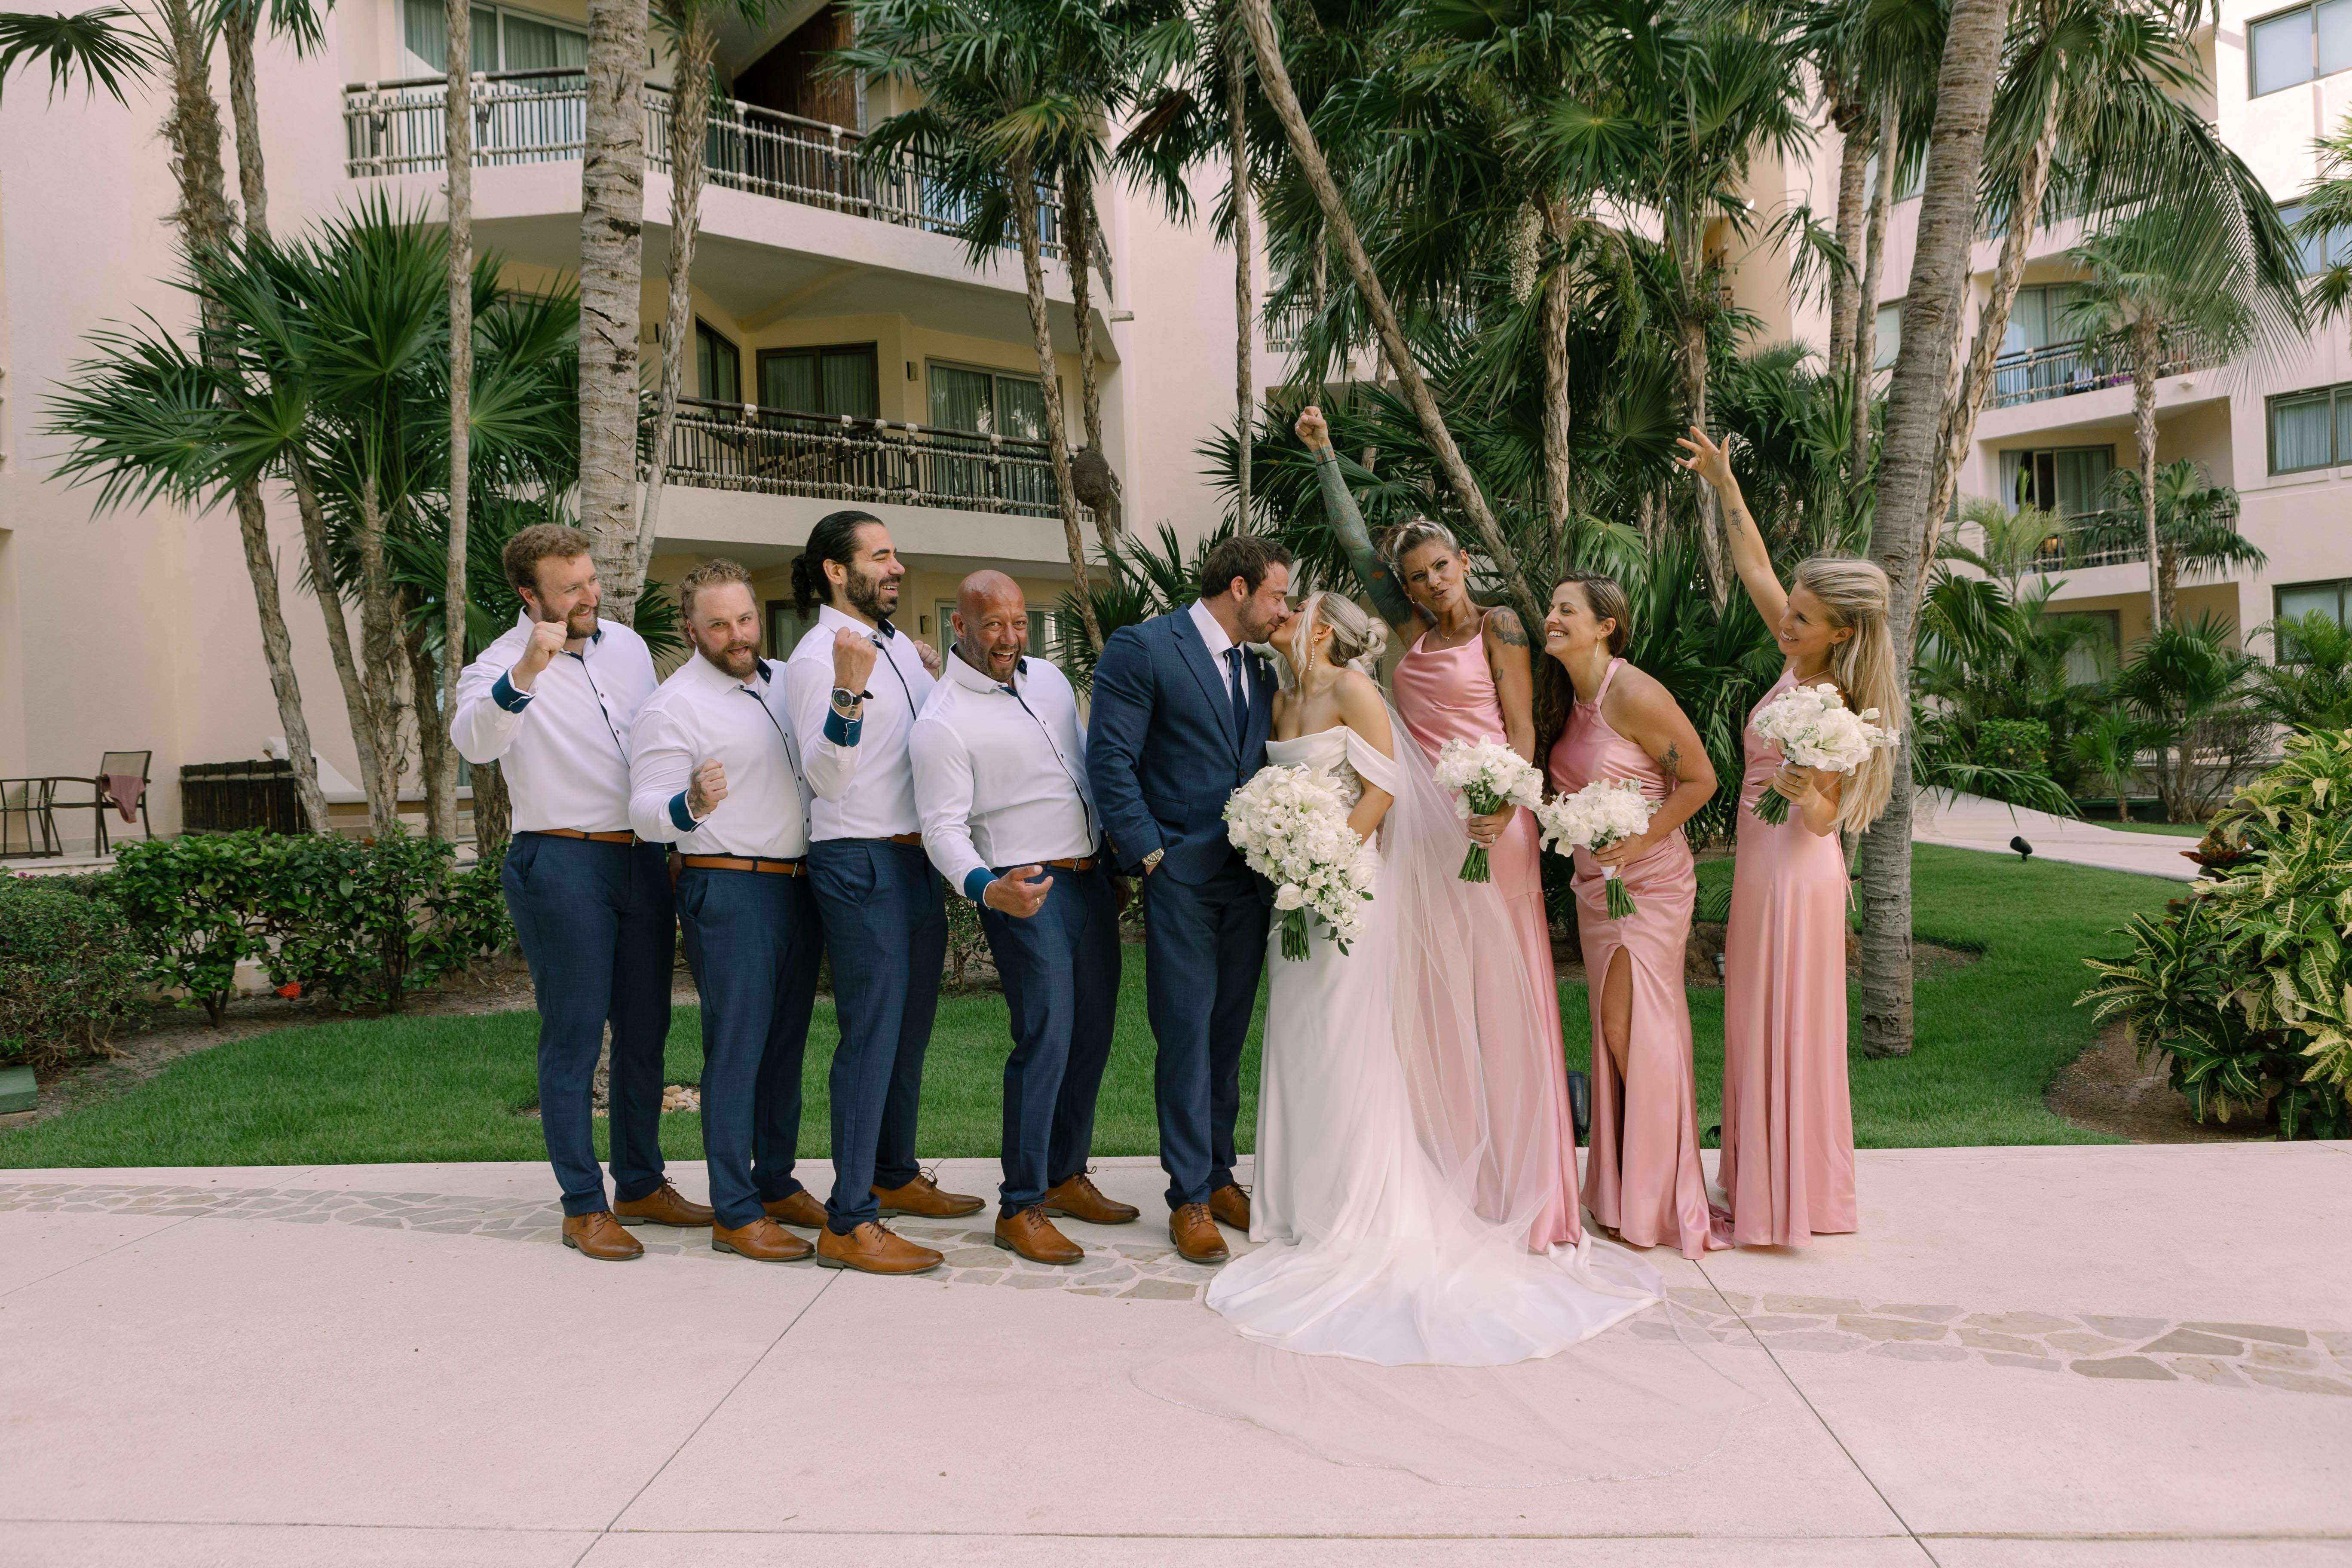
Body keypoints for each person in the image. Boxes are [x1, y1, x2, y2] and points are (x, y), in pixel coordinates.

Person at [1205, 591, 1661, 1361]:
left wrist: (1325, 863)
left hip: (1344, 884)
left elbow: (1384, 786)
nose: (1280, 616)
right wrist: (1284, 854)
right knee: (1298, 1038)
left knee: (1347, 1041)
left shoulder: (1356, 689)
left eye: (1294, 609)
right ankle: (1293, 1201)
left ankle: (1353, 1199)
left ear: (1322, 628)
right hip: (1294, 893)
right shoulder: (1279, 699)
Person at [1292, 404, 1581, 1250]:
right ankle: (1454, 1170)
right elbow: (1355, 546)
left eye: (1439, 568)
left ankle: (1522, 1179)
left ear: (1463, 562)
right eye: (1416, 577)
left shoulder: (1501, 626)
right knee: (1433, 998)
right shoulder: (1411, 633)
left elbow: (1522, 730)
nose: (1429, 584)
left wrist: (1505, 804)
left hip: (1493, 828)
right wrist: (1325, 455)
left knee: (1500, 990)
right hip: (1421, 837)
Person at [451, 524, 710, 1261]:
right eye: (571, 589)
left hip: (641, 858)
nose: (590, 596)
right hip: (560, 861)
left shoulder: (626, 647)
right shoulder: (498, 664)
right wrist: (528, 671)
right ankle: (582, 1205)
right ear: (529, 595)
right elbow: (474, 741)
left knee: (646, 1030)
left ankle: (640, 1184)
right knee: (573, 1036)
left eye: (591, 581)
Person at [1676, 426, 1900, 1246]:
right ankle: (1759, 1177)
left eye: (1802, 617)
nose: (1786, 619)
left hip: (1798, 872)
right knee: (1751, 1019)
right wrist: (1725, 483)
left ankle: (1790, 1196)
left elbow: (1826, 820)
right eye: (1793, 608)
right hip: (1760, 869)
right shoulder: (1796, 661)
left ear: (1839, 632)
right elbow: (1755, 569)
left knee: (1789, 1024)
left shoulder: (1836, 697)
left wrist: (1807, 794)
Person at [911, 571, 1134, 1266]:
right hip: (1025, 888)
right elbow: (941, 828)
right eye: (992, 625)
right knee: (1047, 1037)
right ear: (959, 626)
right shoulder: (943, 720)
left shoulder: (1052, 682)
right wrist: (986, 888)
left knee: (1092, 1032)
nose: (1009, 638)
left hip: (1091, 878)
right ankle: (1021, 1205)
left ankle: (1066, 1176)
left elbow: (1083, 771)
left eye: (1018, 623)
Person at [781, 510, 982, 1277]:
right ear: (837, 571)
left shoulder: (896, 645)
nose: (897, 568)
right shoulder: (818, 659)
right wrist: (848, 689)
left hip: (914, 859)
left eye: (895, 555)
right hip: (858, 858)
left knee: (908, 1033)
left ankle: (893, 1175)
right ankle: (849, 1221)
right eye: (881, 556)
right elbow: (826, 778)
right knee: (871, 1038)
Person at [1085, 535, 1293, 1265]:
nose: (1284, 610)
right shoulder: (1145, 648)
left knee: (1227, 1035)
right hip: (1180, 877)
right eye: (1277, 595)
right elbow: (1110, 756)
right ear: (1239, 588)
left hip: (1249, 878)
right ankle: (1189, 1198)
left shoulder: (1258, 667)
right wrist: (1150, 854)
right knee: (1184, 1033)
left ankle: (1220, 1174)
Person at [628, 560, 824, 1265]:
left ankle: (775, 1182)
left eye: (745, 619)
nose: (738, 635)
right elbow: (644, 812)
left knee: (785, 1047)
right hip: (730, 887)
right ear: (692, 631)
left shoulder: (787, 683)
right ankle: (735, 1213)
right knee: (739, 1050)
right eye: (719, 625)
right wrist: (691, 804)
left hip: (799, 885)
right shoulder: (672, 707)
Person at [1539, 573, 1727, 1259]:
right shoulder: (1566, 699)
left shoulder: (1636, 693)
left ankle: (1663, 1199)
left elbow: (1701, 780)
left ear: (1605, 626)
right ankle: (1623, 1193)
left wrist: (1642, 840)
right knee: (1615, 1030)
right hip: (1597, 888)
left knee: (1634, 1028)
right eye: (1552, 607)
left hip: (1650, 883)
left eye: (1566, 609)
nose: (1551, 617)